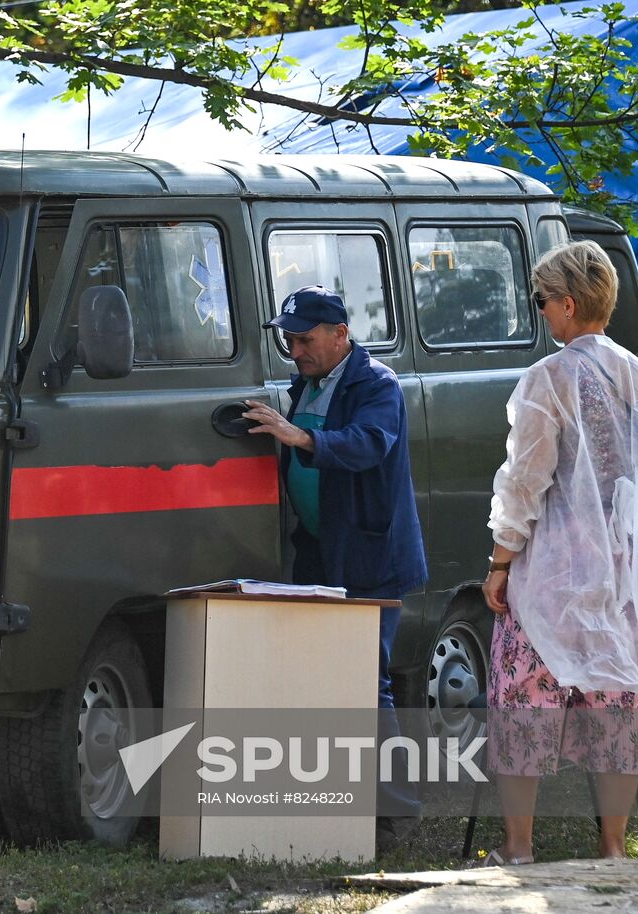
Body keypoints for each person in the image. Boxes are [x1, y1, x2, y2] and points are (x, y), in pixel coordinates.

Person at [482, 240, 638, 863]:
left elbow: (524, 482)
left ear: (568, 303)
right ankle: (612, 846)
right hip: (626, 576)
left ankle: (518, 846)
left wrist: (500, 562)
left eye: (543, 301)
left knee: (523, 695)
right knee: (619, 705)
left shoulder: (546, 380)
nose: (541, 312)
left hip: (554, 573)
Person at [243, 285, 428, 845]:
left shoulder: (377, 385)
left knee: (366, 684)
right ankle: (334, 804)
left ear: (340, 334)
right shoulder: (307, 383)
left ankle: (394, 816)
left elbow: (368, 443)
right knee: (319, 682)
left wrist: (299, 435)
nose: (294, 350)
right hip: (321, 554)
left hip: (371, 560)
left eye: (303, 339)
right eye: (287, 340)